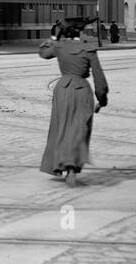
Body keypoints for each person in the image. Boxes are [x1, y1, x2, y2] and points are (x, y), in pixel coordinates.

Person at [38, 18, 109, 185]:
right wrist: (102, 99)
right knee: (79, 129)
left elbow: (43, 53)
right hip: (82, 90)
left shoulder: (59, 46)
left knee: (61, 127)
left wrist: (53, 38)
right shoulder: (88, 48)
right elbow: (99, 78)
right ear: (80, 32)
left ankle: (59, 163)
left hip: (62, 89)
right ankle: (72, 166)